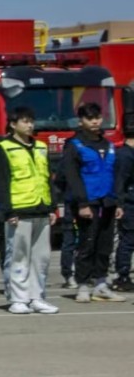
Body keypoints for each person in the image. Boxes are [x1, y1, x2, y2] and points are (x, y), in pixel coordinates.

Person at [0, 106, 59, 315]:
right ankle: (18, 299)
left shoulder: (40, 147)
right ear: (13, 124)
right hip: (19, 211)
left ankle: (37, 296)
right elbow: (2, 183)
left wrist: (52, 207)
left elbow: (47, 178)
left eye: (31, 121)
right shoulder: (4, 148)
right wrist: (8, 211)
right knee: (18, 255)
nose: (30, 125)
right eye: (24, 121)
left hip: (41, 208)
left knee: (42, 257)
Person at [60, 102, 125, 303]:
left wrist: (119, 202)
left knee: (105, 245)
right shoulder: (75, 145)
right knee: (87, 243)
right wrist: (82, 203)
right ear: (81, 120)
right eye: (90, 118)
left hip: (108, 201)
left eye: (97, 117)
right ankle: (82, 284)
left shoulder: (107, 145)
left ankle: (101, 284)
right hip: (87, 202)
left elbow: (116, 175)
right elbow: (71, 176)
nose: (95, 121)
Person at [111, 132, 134, 293]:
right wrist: (119, 203)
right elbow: (120, 181)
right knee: (128, 240)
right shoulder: (125, 156)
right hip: (129, 204)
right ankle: (123, 276)